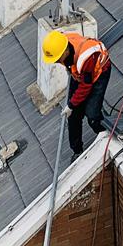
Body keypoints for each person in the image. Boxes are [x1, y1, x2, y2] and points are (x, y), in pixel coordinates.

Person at [42, 29, 111, 164]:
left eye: (57, 59)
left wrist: (72, 104)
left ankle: (108, 138)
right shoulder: (61, 43)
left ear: (66, 52)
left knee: (92, 114)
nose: (56, 62)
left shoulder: (87, 57)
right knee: (73, 116)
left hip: (98, 73)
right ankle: (77, 150)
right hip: (80, 73)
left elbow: (86, 86)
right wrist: (72, 107)